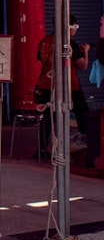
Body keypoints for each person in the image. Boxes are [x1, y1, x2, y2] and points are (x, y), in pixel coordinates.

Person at [34, 14, 89, 158]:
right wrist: (86, 52)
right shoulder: (70, 43)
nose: (76, 30)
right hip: (69, 86)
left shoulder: (44, 42)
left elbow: (41, 61)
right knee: (83, 113)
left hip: (46, 85)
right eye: (75, 27)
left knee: (47, 118)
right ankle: (88, 146)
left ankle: (41, 149)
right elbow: (82, 65)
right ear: (68, 27)